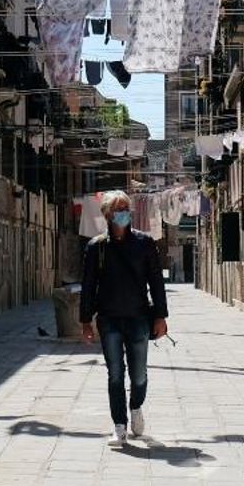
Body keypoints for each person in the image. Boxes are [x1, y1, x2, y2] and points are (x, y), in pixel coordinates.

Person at [79, 190, 169, 447]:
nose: (122, 214)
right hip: (109, 320)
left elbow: (156, 282)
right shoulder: (96, 247)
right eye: (117, 210)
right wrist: (86, 322)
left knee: (139, 374)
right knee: (115, 374)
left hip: (139, 319)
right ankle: (119, 425)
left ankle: (136, 407)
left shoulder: (144, 243)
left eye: (125, 209)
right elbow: (88, 286)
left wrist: (160, 316)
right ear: (107, 215)